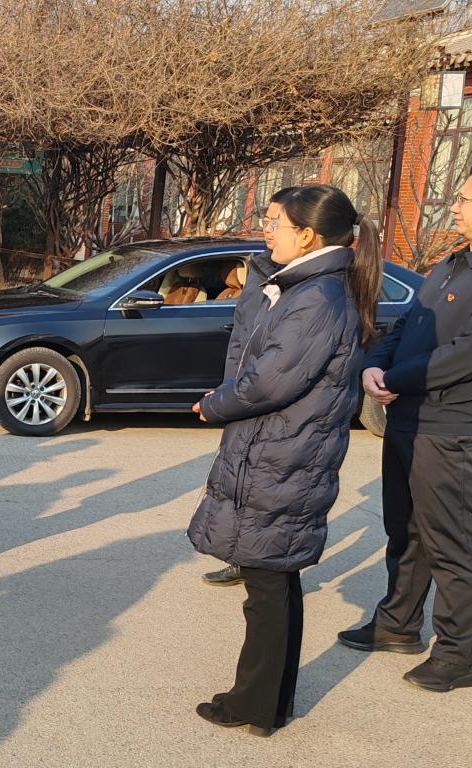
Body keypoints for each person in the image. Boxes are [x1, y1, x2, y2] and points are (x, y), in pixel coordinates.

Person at [188, 184, 382, 735]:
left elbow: (269, 382)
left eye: (276, 223)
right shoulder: (308, 286)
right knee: (274, 576)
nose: (266, 231)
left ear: (308, 235)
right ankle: (270, 701)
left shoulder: (316, 297)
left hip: (285, 453)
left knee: (266, 584)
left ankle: (252, 705)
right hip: (285, 450)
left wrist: (213, 404)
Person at [337, 159, 472, 692]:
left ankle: (456, 655)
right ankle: (397, 623)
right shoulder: (451, 264)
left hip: (454, 427)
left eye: (466, 198)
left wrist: (396, 378)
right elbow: (404, 325)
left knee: (452, 541)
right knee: (404, 529)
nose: (455, 206)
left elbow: (470, 352)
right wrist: (374, 365)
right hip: (409, 418)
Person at [202, 186, 300, 587]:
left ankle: (269, 569)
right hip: (242, 387)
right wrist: (228, 387)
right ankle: (242, 557)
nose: (268, 229)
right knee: (238, 479)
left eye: (277, 222)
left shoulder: (300, 281)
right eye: (266, 220)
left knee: (266, 488)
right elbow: (243, 337)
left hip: (269, 396)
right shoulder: (260, 267)